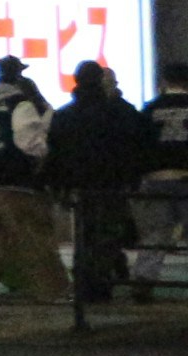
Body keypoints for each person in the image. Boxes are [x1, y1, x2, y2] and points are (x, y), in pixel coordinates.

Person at [0, 54, 67, 303]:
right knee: (34, 236)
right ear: (18, 76)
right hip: (15, 182)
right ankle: (52, 289)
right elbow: (29, 143)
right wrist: (43, 154)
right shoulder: (21, 104)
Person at [48, 60, 150, 315]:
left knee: (83, 236)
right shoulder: (118, 113)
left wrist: (58, 185)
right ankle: (101, 284)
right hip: (111, 183)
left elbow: (55, 154)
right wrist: (131, 179)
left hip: (78, 186)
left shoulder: (64, 115)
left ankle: (85, 287)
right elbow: (132, 150)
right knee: (106, 235)